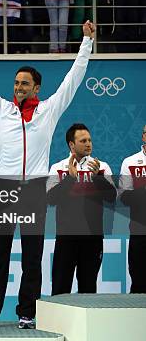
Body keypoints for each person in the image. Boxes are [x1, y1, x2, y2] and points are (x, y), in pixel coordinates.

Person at [0, 20, 95, 330]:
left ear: (36, 88)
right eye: (16, 83)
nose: (18, 87)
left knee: (32, 256)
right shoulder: (1, 109)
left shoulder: (49, 110)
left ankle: (27, 312)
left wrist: (87, 43)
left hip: (35, 188)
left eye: (25, 83)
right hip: (4, 187)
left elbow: (73, 80)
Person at [47, 124, 115, 295]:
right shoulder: (58, 167)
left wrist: (97, 179)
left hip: (92, 238)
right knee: (61, 288)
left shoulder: (101, 167)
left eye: (90, 140)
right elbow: (51, 199)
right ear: (71, 145)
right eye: (83, 141)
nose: (88, 144)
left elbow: (112, 198)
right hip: (66, 238)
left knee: (88, 288)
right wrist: (70, 179)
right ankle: (58, 323)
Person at [119, 125, 146, 293]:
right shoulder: (130, 162)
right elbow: (123, 197)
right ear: (143, 137)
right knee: (139, 282)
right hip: (139, 231)